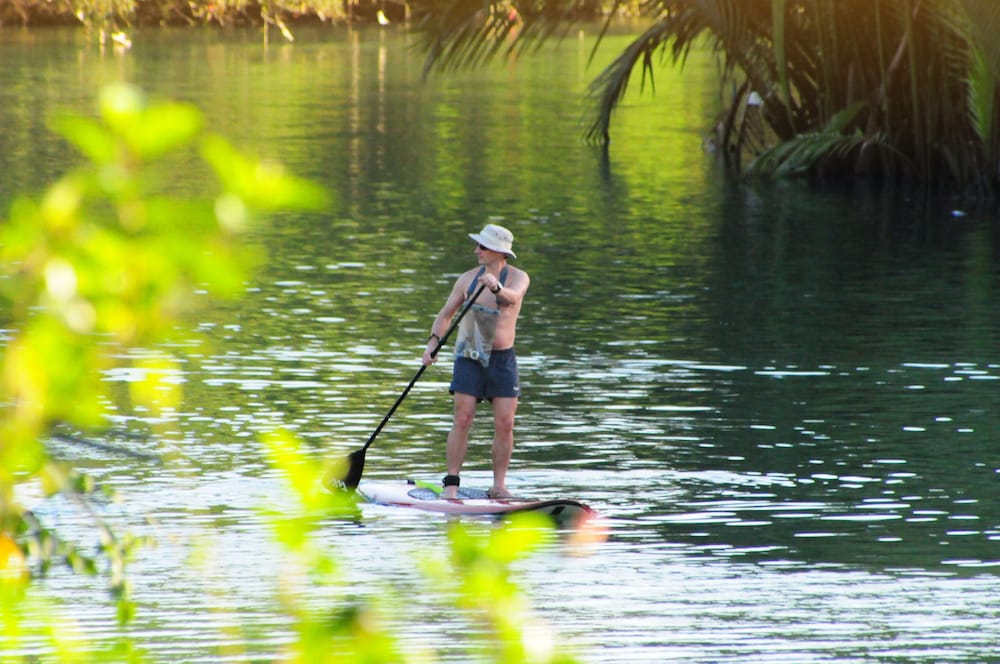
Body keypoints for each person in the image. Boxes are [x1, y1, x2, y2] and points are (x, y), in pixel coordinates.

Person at [422, 223, 530, 499]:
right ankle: (452, 485)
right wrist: (433, 343)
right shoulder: (467, 279)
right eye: (478, 246)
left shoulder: (518, 278)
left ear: (498, 251)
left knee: (506, 422)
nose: (476, 250)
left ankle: (499, 486)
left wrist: (496, 287)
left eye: (482, 247)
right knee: (463, 417)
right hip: (469, 355)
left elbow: (511, 298)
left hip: (502, 359)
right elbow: (445, 314)